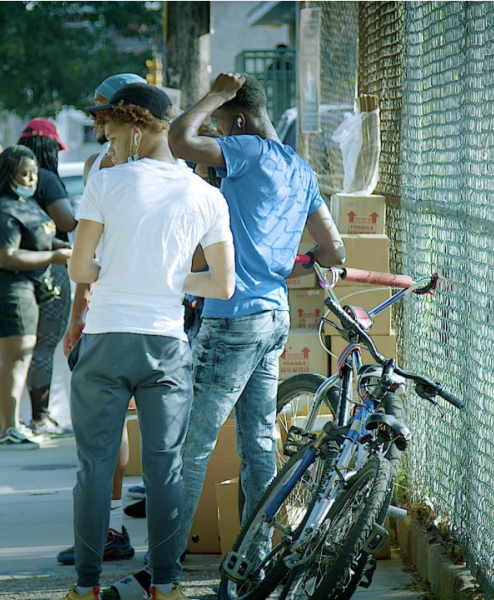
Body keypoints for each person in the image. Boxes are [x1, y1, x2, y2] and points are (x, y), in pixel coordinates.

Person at [103, 73, 345, 598]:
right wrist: (283, 270)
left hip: (231, 318)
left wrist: (211, 95)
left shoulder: (247, 152)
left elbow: (178, 138)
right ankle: (252, 564)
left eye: (220, 122)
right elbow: (334, 253)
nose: (214, 134)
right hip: (273, 318)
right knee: (259, 443)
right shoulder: (300, 170)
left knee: (192, 444)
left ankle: (161, 571)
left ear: (236, 120)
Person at [63, 82, 235, 600]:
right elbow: (222, 284)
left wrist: (121, 272)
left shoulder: (104, 183)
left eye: (110, 130)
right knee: (165, 466)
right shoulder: (207, 195)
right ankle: (166, 583)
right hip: (165, 345)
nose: (103, 140)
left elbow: (78, 267)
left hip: (106, 340)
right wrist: (168, 279)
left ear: (137, 128)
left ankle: (87, 586)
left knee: (94, 465)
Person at [58, 73, 146, 569]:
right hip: (140, 316)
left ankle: (111, 530)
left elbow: (84, 256)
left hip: (125, 316)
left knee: (105, 431)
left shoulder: (110, 170)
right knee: (120, 429)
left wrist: (78, 316)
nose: (96, 122)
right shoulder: (165, 166)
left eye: (103, 113)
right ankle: (113, 528)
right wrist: (77, 315)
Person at [0, 145, 72, 450]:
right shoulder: (1, 208)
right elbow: (5, 257)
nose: (31, 179)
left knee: (21, 357)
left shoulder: (25, 203)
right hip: (7, 292)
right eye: (24, 174)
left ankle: (14, 425)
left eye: (33, 174)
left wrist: (72, 248)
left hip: (25, 290)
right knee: (13, 360)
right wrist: (54, 256)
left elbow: (42, 237)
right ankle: (8, 427)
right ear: (8, 175)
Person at [18, 118, 76, 436]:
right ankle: (40, 417)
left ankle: (20, 416)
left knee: (22, 348)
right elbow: (66, 223)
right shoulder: (47, 178)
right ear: (48, 147)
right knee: (45, 346)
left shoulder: (8, 178)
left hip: (18, 270)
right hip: (51, 269)